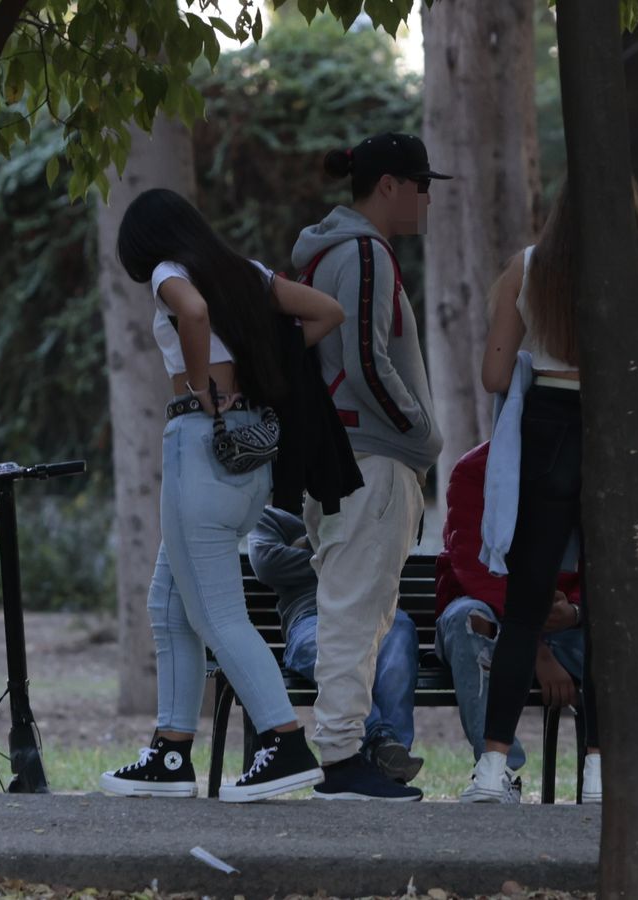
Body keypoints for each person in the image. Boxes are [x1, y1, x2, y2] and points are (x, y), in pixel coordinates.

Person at [465, 179, 638, 805]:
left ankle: (492, 767)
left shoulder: (528, 267)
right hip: (615, 431)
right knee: (609, 608)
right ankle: (598, 769)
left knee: (524, 608)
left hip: (546, 431)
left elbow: (494, 374)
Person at [100, 188, 344, 802]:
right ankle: (171, 752)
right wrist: (261, 367)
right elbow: (326, 312)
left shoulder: (170, 273)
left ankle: (284, 741)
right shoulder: (248, 273)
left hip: (200, 446)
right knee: (169, 605)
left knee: (216, 613)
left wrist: (203, 387)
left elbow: (194, 312)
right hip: (250, 454)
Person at [285, 132, 449, 801]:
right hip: (371, 460)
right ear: (390, 186)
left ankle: (345, 755)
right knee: (355, 613)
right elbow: (364, 360)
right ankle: (342, 759)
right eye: (422, 185)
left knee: (356, 611)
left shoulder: (333, 251)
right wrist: (420, 431)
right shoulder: (363, 252)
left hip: (345, 459)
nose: (427, 199)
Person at [436, 442, 586, 803]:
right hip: (493, 612)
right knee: (469, 621)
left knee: (627, 641)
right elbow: (475, 566)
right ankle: (498, 770)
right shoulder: (475, 469)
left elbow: (610, 560)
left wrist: (576, 610)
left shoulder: (591, 462)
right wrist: (534, 646)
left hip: (565, 618)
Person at [246, 507, 423, 784]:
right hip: (312, 617)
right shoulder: (271, 518)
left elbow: (384, 560)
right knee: (319, 646)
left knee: (400, 629)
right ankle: (383, 744)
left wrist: (306, 550)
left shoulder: (364, 507)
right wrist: (347, 557)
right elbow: (268, 564)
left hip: (370, 612)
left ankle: (390, 759)